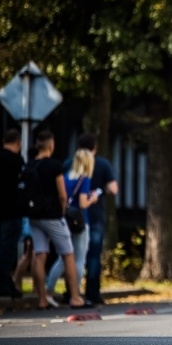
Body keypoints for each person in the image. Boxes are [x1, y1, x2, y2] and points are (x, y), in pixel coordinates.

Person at [27, 131, 92, 310]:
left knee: (40, 254)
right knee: (68, 254)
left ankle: (41, 299)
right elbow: (62, 195)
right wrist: (62, 213)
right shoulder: (55, 167)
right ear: (51, 146)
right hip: (53, 216)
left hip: (33, 216)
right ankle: (75, 297)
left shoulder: (30, 165)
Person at [45, 149, 97, 306]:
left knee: (63, 258)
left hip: (66, 220)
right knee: (79, 259)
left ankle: (48, 290)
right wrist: (93, 199)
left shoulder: (67, 177)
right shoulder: (85, 178)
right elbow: (82, 203)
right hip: (80, 222)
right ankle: (75, 293)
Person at [74, 133, 118, 304]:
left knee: (73, 255)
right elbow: (114, 188)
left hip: (72, 216)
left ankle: (72, 291)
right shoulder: (101, 164)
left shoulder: (71, 164)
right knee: (93, 255)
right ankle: (92, 293)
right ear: (95, 148)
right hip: (94, 215)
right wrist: (100, 192)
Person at [0, 129, 25, 298]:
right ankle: (4, 285)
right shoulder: (17, 161)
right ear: (18, 142)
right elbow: (22, 185)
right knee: (8, 250)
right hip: (11, 211)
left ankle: (7, 283)